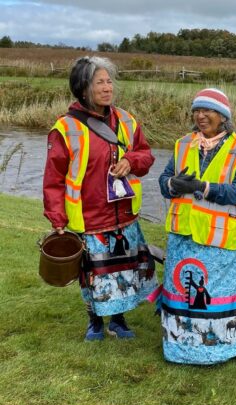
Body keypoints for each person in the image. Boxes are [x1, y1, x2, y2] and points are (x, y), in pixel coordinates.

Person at [43, 56, 157, 341]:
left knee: (123, 270)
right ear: (83, 89)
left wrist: (130, 161)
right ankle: (94, 321)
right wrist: (58, 218)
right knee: (92, 273)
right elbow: (53, 179)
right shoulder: (65, 129)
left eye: (109, 82)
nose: (108, 88)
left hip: (124, 214)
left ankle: (119, 320)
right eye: (100, 83)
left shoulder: (127, 121)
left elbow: (146, 156)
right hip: (89, 216)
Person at [158, 88, 236, 365]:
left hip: (221, 240)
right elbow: (163, 180)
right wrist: (173, 184)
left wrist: (203, 188)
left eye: (207, 111)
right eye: (197, 110)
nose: (201, 115)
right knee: (186, 292)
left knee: (219, 296)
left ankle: (225, 346)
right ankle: (182, 347)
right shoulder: (183, 144)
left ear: (223, 116)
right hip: (184, 236)